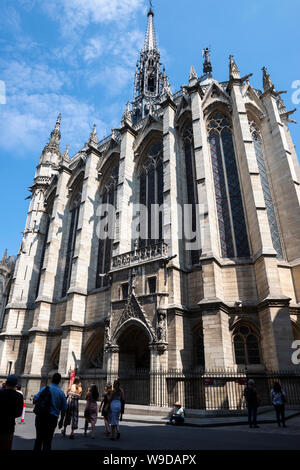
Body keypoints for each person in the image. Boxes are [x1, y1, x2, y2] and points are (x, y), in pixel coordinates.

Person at [33, 372, 68, 452]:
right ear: (59, 381)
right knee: (48, 441)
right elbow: (64, 408)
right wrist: (61, 420)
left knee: (39, 439)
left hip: (41, 417)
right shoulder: (61, 393)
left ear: (52, 379)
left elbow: (35, 399)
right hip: (52, 418)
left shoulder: (45, 388)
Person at [0, 374, 24, 451]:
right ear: (16, 384)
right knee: (7, 446)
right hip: (9, 426)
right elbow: (19, 413)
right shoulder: (19, 396)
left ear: (6, 383)